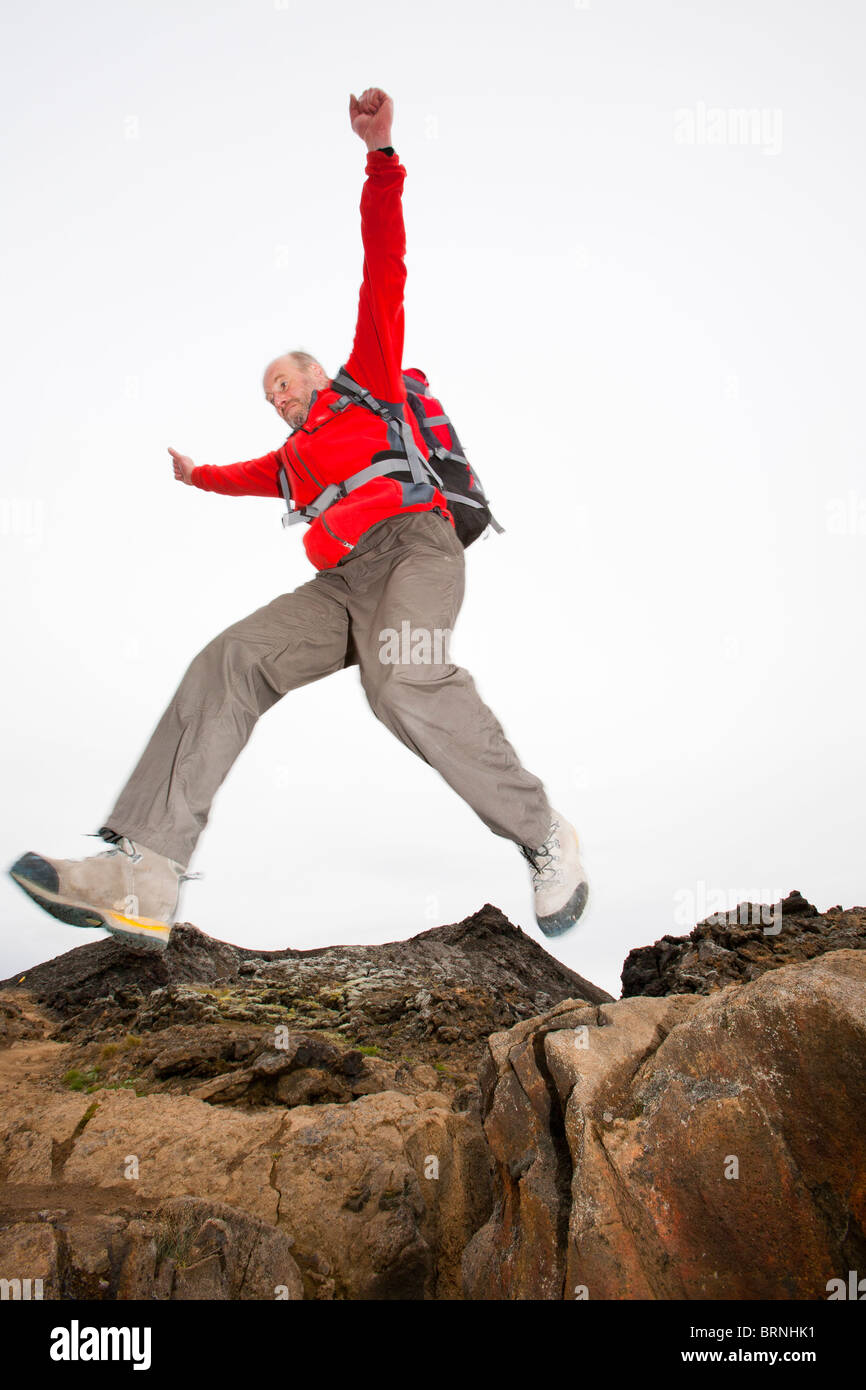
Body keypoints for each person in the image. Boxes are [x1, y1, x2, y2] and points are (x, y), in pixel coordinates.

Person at [9, 87, 589, 952]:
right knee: (231, 659)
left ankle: (544, 834)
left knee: (400, 679)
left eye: (285, 381)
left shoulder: (371, 381)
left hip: (416, 549)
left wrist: (381, 155)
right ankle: (146, 867)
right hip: (341, 582)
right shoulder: (290, 461)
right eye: (268, 394)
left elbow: (383, 264)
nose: (278, 398)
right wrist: (196, 473)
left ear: (318, 373)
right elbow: (243, 476)